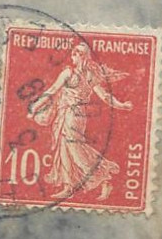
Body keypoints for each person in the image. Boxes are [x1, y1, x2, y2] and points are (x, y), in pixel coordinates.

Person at [28, 41, 133, 201]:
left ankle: (103, 176)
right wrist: (122, 105)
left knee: (75, 150)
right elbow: (105, 96)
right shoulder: (90, 76)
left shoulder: (69, 73)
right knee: (67, 149)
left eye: (76, 54)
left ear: (81, 56)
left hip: (70, 114)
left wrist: (35, 107)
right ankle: (69, 186)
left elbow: (51, 91)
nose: (73, 57)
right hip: (77, 115)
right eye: (73, 54)